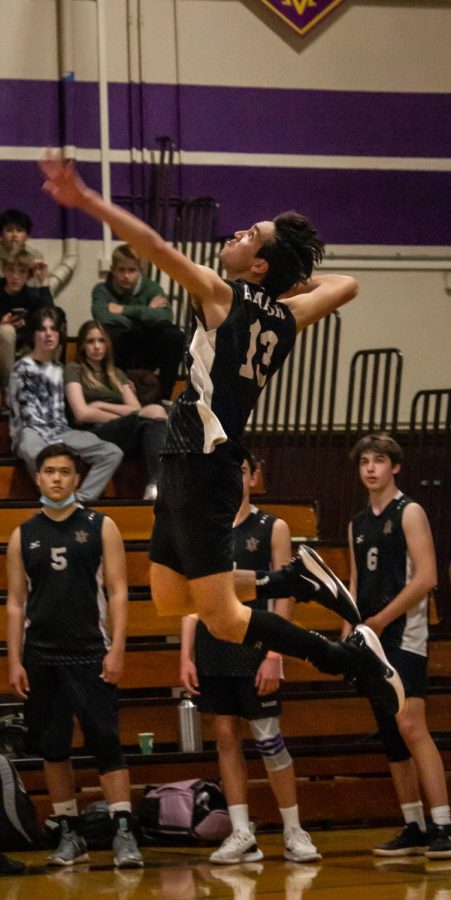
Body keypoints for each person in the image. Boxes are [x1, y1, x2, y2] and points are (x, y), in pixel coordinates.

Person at [39, 152, 405, 720]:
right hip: (189, 459)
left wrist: (86, 199)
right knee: (167, 599)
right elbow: (348, 284)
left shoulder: (221, 294)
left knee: (225, 619)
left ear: (257, 266)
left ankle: (348, 659)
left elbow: (155, 247)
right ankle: (290, 579)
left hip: (203, 463)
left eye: (249, 235)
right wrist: (287, 278)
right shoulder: (288, 316)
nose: (236, 234)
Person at [6, 443, 143, 869]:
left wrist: (117, 646)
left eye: (65, 471)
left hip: (90, 651)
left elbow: (118, 592)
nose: (57, 478)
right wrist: (14, 660)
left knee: (106, 741)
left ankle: (123, 831)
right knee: (52, 746)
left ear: (76, 479)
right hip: (41, 655)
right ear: (39, 478)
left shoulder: (102, 527)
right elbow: (15, 602)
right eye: (49, 471)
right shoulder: (22, 534)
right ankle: (67, 832)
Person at [180, 449, 321, 864]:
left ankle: (294, 831)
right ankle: (242, 833)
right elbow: (193, 597)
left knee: (269, 740)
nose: (234, 478)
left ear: (255, 477)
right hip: (213, 646)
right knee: (225, 738)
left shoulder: (273, 526)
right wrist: (186, 654)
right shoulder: (205, 529)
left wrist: (276, 652)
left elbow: (286, 592)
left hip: (257, 647)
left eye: (241, 471)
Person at [346, 433, 451, 859]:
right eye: (364, 462)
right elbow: (353, 583)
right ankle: (414, 824)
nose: (371, 468)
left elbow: (427, 578)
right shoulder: (356, 522)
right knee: (390, 732)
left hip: (404, 633)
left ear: (396, 467)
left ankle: (443, 823)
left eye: (379, 461)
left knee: (412, 725)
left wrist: (382, 619)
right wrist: (350, 630)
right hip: (370, 635)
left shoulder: (410, 512)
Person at [8, 307, 123, 504]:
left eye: (53, 329)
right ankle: (55, 503)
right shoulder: (21, 368)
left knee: (112, 452)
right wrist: (54, 446)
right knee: (39, 453)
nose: (49, 334)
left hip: (61, 431)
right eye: (43, 329)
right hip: (30, 432)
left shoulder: (61, 370)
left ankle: (78, 502)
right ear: (34, 334)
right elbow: (24, 416)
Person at [65, 319, 167, 501]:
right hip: (94, 432)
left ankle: (156, 484)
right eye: (90, 341)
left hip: (123, 427)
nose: (97, 346)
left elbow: (135, 408)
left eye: (101, 341)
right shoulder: (74, 370)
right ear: (82, 346)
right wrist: (123, 416)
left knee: (155, 423)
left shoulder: (116, 373)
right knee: (155, 414)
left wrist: (101, 405)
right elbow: (82, 413)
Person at [92, 243, 184, 400]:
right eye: (121, 270)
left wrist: (123, 310)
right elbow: (101, 315)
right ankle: (117, 392)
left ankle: (164, 395)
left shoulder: (152, 288)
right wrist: (146, 313)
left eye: (132, 270)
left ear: (140, 271)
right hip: (120, 347)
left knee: (173, 335)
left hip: (146, 346)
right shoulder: (102, 290)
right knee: (108, 331)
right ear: (113, 270)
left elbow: (166, 315)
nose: (126, 276)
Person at [0, 249, 54, 402]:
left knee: (48, 332)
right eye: (11, 271)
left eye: (22, 272)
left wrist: (43, 282)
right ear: (4, 271)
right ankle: (9, 390)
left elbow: (50, 317)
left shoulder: (31, 294)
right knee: (6, 331)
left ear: (28, 275)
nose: (16, 277)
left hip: (25, 346)